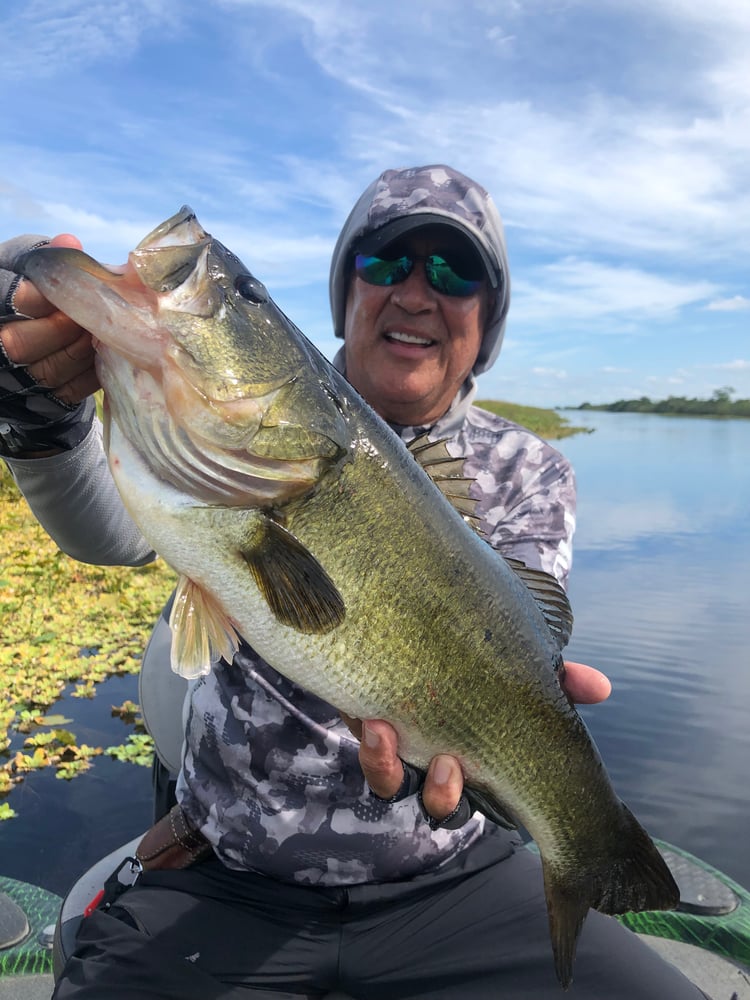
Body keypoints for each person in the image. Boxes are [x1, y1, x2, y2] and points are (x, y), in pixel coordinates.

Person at [0, 165, 705, 999]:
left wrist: (469, 753)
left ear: (490, 317)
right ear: (344, 296)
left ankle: (581, 856)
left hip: (451, 878)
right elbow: (112, 531)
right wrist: (37, 415)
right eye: (384, 264)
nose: (416, 291)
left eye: (455, 272)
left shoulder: (528, 469)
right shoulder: (211, 452)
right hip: (225, 872)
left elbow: (517, 637)